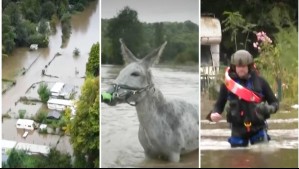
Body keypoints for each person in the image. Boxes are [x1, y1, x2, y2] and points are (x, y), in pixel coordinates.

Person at [207, 50, 279, 147]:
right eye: (238, 66)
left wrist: (269, 109)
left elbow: (275, 103)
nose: (241, 69)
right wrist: (213, 114)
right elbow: (219, 105)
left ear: (249, 66)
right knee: (237, 158)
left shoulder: (261, 82)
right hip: (237, 129)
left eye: (244, 66)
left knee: (261, 157)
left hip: (258, 128)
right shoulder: (227, 85)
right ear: (234, 67)